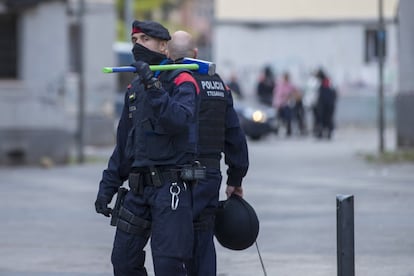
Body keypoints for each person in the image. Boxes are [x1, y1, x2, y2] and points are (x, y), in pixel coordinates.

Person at [94, 20, 200, 276]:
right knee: (123, 261)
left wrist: (153, 84)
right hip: (138, 190)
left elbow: (178, 120)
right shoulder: (134, 88)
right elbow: (123, 145)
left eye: (145, 40)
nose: (137, 45)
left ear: (163, 46)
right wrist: (106, 187)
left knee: (168, 265)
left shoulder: (183, 81)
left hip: (170, 189)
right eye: (134, 40)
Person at [167, 30, 249, 276]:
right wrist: (236, 179)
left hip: (174, 175)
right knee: (203, 239)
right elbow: (235, 135)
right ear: (195, 54)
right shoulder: (219, 85)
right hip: (208, 174)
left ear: (168, 54)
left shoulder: (168, 83)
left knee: (171, 243)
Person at [273, 72, 306, 136]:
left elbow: (296, 92)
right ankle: (277, 130)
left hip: (287, 105)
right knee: (279, 119)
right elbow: (277, 95)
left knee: (288, 118)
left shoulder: (290, 85)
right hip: (280, 105)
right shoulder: (279, 85)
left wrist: (292, 95)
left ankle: (289, 130)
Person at [313, 68, 337, 139]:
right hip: (328, 104)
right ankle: (325, 132)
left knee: (321, 119)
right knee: (327, 119)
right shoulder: (328, 81)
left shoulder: (321, 82)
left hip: (323, 104)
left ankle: (321, 132)